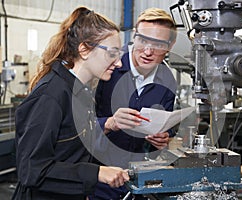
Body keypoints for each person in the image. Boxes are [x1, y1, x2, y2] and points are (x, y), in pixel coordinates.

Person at [12, 7, 129, 200]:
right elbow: (31, 170)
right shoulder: (50, 95)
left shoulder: (82, 93)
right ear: (84, 49)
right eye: (112, 53)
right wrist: (96, 173)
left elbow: (71, 154)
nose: (119, 64)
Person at [90, 7, 178, 200]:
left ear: (170, 45)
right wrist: (109, 123)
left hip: (139, 179)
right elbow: (76, 125)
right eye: (142, 40)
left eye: (158, 44)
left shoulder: (168, 80)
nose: (147, 51)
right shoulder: (107, 67)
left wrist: (164, 137)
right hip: (100, 179)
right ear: (134, 36)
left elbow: (167, 123)